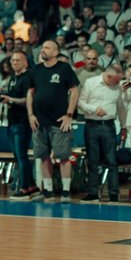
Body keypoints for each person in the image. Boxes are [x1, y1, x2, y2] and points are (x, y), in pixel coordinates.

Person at [27, 40, 80, 202]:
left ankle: (65, 191)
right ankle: (48, 191)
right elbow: (30, 94)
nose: (43, 50)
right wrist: (31, 115)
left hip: (59, 121)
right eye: (42, 47)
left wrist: (69, 115)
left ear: (56, 52)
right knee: (43, 156)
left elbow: (75, 92)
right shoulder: (36, 70)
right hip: (39, 121)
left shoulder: (64, 69)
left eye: (47, 48)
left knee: (63, 156)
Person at [78, 64, 124, 203]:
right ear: (108, 76)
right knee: (92, 160)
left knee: (111, 160)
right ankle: (92, 193)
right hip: (92, 124)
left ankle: (113, 195)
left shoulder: (119, 87)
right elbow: (80, 103)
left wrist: (123, 127)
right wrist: (93, 109)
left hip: (109, 126)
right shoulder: (90, 83)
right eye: (116, 80)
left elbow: (121, 108)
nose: (118, 83)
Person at [0, 51, 37, 199]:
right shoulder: (13, 78)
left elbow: (26, 100)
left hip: (22, 122)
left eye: (17, 60)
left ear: (25, 63)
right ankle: (31, 186)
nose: (14, 63)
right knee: (18, 156)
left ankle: (23, 188)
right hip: (12, 120)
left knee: (21, 156)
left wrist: (10, 99)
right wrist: (6, 95)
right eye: (12, 60)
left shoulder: (28, 78)